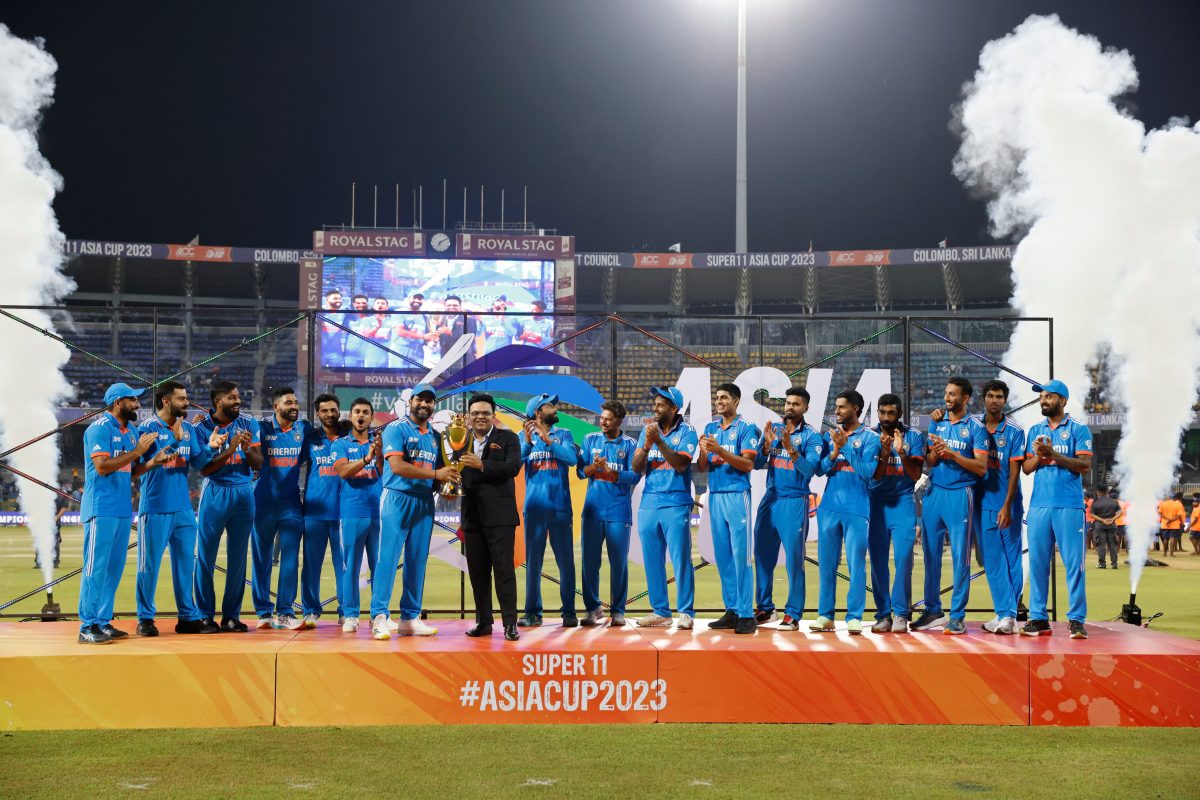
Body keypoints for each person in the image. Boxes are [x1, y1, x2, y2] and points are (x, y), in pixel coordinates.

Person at [134, 381, 224, 636]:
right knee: (148, 566)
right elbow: (145, 464)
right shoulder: (149, 427)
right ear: (165, 400)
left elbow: (197, 462)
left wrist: (212, 447)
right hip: (155, 507)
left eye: (186, 398)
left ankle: (187, 617)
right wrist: (173, 443)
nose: (187, 402)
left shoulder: (188, 429)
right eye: (181, 399)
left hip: (184, 509)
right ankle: (145, 619)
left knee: (186, 565)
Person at [373, 383, 460, 640]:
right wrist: (436, 474)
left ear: (434, 406)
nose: (424, 405)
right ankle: (380, 616)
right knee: (388, 559)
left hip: (423, 500)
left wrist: (449, 482)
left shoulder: (435, 436)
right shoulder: (396, 428)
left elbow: (439, 477)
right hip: (396, 498)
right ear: (410, 401)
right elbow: (398, 467)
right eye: (420, 400)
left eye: (429, 401)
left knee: (417, 561)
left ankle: (410, 617)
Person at [77, 383, 157, 644]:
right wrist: (137, 452)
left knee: (113, 569)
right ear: (117, 402)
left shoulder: (131, 431)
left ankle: (102, 621)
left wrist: (152, 462)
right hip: (101, 508)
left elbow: (129, 471)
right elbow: (102, 467)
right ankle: (87, 625)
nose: (137, 405)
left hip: (122, 509)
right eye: (132, 400)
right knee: (95, 568)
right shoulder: (99, 428)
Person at [911, 377, 987, 634]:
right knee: (930, 556)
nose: (947, 398)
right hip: (934, 492)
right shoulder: (937, 421)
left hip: (960, 494)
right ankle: (933, 610)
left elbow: (981, 468)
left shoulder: (976, 428)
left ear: (965, 399)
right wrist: (935, 453)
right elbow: (930, 460)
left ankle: (957, 615)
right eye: (946, 393)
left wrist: (952, 453)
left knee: (960, 558)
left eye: (953, 394)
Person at [1021, 379, 1093, 639]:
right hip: (1039, 505)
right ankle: (1039, 618)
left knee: (1074, 564)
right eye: (1042, 397)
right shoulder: (1034, 430)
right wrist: (1040, 457)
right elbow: (1026, 469)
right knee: (1038, 563)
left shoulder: (1078, 429)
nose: (1043, 401)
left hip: (1069, 505)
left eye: (1049, 397)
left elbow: (1084, 466)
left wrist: (1054, 455)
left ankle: (1076, 620)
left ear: (1062, 400)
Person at [810, 390, 881, 635]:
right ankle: (825, 616)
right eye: (836, 407)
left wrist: (846, 448)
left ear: (856, 409)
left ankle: (854, 617)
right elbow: (819, 470)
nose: (837, 411)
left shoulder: (871, 438)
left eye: (841, 407)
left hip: (857, 508)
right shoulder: (830, 437)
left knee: (856, 565)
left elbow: (868, 472)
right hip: (829, 506)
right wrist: (833, 451)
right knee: (826, 565)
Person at [194, 380, 263, 632]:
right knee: (205, 557)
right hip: (215, 490)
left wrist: (245, 450)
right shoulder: (201, 427)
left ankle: (231, 616)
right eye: (231, 397)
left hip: (244, 492)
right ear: (217, 402)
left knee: (238, 559)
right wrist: (230, 448)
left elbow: (258, 464)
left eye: (237, 396)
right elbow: (205, 468)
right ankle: (204, 615)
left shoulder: (248, 423)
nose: (237, 401)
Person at [753, 387, 822, 631]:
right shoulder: (775, 430)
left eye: (795, 404)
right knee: (761, 556)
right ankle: (764, 608)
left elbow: (809, 470)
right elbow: (757, 464)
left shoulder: (813, 437)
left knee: (794, 560)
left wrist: (791, 449)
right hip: (770, 497)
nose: (789, 408)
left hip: (795, 499)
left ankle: (793, 614)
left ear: (805, 408)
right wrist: (765, 446)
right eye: (788, 403)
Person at [697, 383, 762, 634]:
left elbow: (747, 465)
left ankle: (747, 614)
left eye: (724, 398)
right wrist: (704, 451)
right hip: (716, 496)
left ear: (736, 401)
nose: (719, 402)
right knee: (723, 558)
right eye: (717, 398)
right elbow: (703, 467)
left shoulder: (746, 429)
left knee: (741, 557)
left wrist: (719, 450)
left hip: (737, 496)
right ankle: (732, 609)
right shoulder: (711, 429)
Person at [633, 386, 699, 629]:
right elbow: (636, 466)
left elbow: (681, 464)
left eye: (661, 404)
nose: (655, 408)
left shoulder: (688, 432)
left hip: (676, 501)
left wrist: (658, 442)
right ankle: (660, 611)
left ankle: (686, 612)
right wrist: (648, 444)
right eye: (655, 403)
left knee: (681, 559)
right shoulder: (647, 432)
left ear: (674, 408)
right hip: (650, 501)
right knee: (652, 560)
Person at [460, 393, 523, 641]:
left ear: (493, 416)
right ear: (468, 416)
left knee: (504, 572)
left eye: (485, 413)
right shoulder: (458, 440)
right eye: (475, 413)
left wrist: (482, 465)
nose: (480, 417)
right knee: (477, 573)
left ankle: (510, 624)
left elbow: (513, 467)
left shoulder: (508, 438)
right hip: (472, 517)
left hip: (501, 518)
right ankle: (484, 622)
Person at [577, 400, 641, 627]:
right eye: (601, 418)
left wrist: (610, 471)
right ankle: (593, 609)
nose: (603, 422)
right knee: (590, 564)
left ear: (619, 421)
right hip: (592, 510)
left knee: (618, 563)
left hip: (618, 512)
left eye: (608, 419)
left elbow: (635, 476)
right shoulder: (589, 440)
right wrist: (595, 468)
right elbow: (580, 473)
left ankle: (618, 610)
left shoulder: (631, 444)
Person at [519, 393, 580, 627]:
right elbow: (516, 464)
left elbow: (571, 460)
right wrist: (527, 442)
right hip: (534, 508)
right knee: (533, 563)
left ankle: (569, 612)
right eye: (549, 406)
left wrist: (549, 441)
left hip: (560, 507)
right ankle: (532, 613)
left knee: (566, 562)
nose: (555, 409)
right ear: (537, 412)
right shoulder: (523, 436)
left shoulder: (563, 434)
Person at [867, 393, 926, 634]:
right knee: (878, 561)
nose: (886, 417)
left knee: (904, 559)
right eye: (882, 412)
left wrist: (901, 453)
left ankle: (901, 613)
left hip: (903, 501)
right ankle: (883, 615)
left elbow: (915, 475)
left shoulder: (913, 436)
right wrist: (884, 451)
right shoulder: (869, 436)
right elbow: (875, 475)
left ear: (900, 414)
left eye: (891, 413)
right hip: (876, 502)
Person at [251, 386, 309, 630]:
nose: (294, 406)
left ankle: (285, 611)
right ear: (276, 407)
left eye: (295, 402)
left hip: (291, 503)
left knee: (290, 559)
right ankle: (263, 612)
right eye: (289, 403)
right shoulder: (261, 428)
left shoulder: (303, 429)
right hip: (262, 502)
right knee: (261, 559)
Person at [973, 380, 1026, 634]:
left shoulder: (1015, 432)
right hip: (983, 505)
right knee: (993, 562)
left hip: (1008, 505)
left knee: (1012, 559)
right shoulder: (973, 426)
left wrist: (1007, 505)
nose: (995, 400)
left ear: (1005, 400)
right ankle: (1005, 614)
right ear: (983, 398)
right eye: (991, 395)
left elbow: (1015, 474)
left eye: (1000, 397)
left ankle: (1009, 615)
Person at [331, 398, 383, 633]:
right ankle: (351, 614)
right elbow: (342, 472)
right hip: (352, 512)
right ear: (351, 416)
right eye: (357, 412)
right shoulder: (340, 444)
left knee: (379, 567)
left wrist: (379, 455)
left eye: (365, 412)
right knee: (350, 567)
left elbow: (386, 473)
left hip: (378, 513)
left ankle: (379, 615)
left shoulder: (379, 443)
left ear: (371, 418)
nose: (361, 416)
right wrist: (365, 459)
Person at [300, 394, 345, 627]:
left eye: (333, 410)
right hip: (314, 511)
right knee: (311, 566)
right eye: (324, 410)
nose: (329, 414)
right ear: (318, 414)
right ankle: (310, 610)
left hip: (343, 513)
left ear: (339, 411)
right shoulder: (310, 438)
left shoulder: (348, 436)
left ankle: (346, 610)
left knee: (345, 566)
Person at [435, 295, 479, 361]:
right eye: (448, 305)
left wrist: (450, 333)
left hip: (464, 361)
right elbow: (441, 343)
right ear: (445, 306)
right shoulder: (440, 322)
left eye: (455, 305)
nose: (451, 307)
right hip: (446, 362)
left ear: (460, 307)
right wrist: (434, 341)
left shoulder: (470, 321)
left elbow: (469, 341)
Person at [1091, 486, 1121, 569]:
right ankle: (1114, 564)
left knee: (1101, 544)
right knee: (1113, 544)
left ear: (1098, 492)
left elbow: (1092, 514)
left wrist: (1102, 520)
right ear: (1107, 491)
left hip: (1100, 525)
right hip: (1111, 525)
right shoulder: (1114, 502)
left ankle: (1102, 563)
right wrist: (1112, 519)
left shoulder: (1096, 502)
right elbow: (1120, 512)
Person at [320, 289, 348, 367]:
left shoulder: (344, 314)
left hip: (336, 352)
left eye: (339, 298)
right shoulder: (319, 312)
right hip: (320, 351)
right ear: (327, 300)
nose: (338, 300)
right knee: (317, 375)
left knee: (337, 377)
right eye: (335, 298)